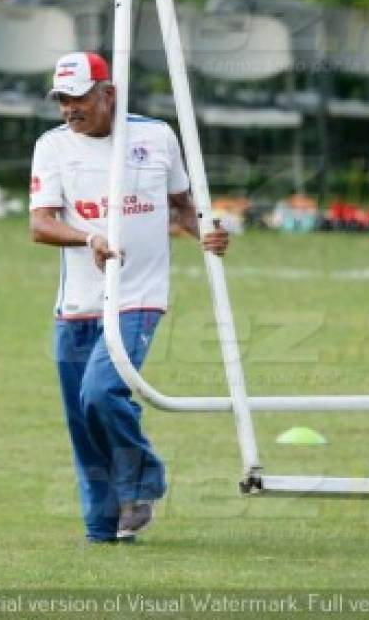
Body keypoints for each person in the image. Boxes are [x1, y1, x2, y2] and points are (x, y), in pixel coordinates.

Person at [28, 51, 229, 543]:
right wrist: (89, 239)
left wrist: (207, 229)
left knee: (101, 392)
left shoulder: (156, 136)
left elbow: (184, 209)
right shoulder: (52, 146)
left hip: (138, 294)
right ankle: (104, 525)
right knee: (82, 415)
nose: (69, 109)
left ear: (108, 93)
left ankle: (142, 481)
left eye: (78, 98)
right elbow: (40, 223)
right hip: (77, 300)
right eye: (62, 100)